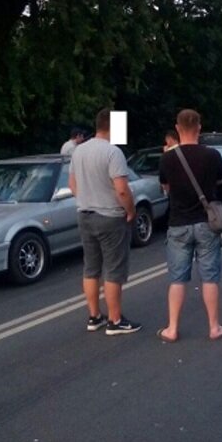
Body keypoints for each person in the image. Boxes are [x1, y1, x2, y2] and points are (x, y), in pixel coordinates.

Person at [157, 109, 222, 343]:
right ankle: (214, 327)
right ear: (199, 127)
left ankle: (172, 328)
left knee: (178, 278)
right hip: (206, 223)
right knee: (210, 277)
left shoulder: (167, 158)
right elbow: (219, 180)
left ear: (177, 129)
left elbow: (165, 187)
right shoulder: (212, 155)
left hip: (178, 223)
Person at [69, 109, 140, 335]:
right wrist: (130, 210)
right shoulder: (113, 152)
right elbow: (121, 189)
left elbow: (72, 185)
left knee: (91, 268)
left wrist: (87, 198)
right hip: (109, 216)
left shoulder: (78, 151)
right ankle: (115, 320)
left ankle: (94, 316)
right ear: (112, 127)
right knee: (113, 269)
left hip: (84, 214)